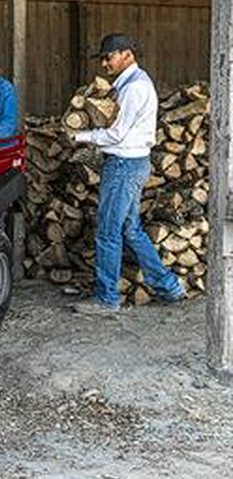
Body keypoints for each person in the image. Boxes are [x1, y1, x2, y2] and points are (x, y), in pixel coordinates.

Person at [70, 33, 186, 314]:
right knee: (130, 230)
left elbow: (118, 134)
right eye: (103, 59)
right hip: (132, 163)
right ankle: (169, 287)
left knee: (108, 232)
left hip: (124, 165)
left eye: (109, 57)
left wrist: (80, 136)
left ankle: (107, 299)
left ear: (127, 55)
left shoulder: (134, 88)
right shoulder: (130, 84)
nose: (104, 64)